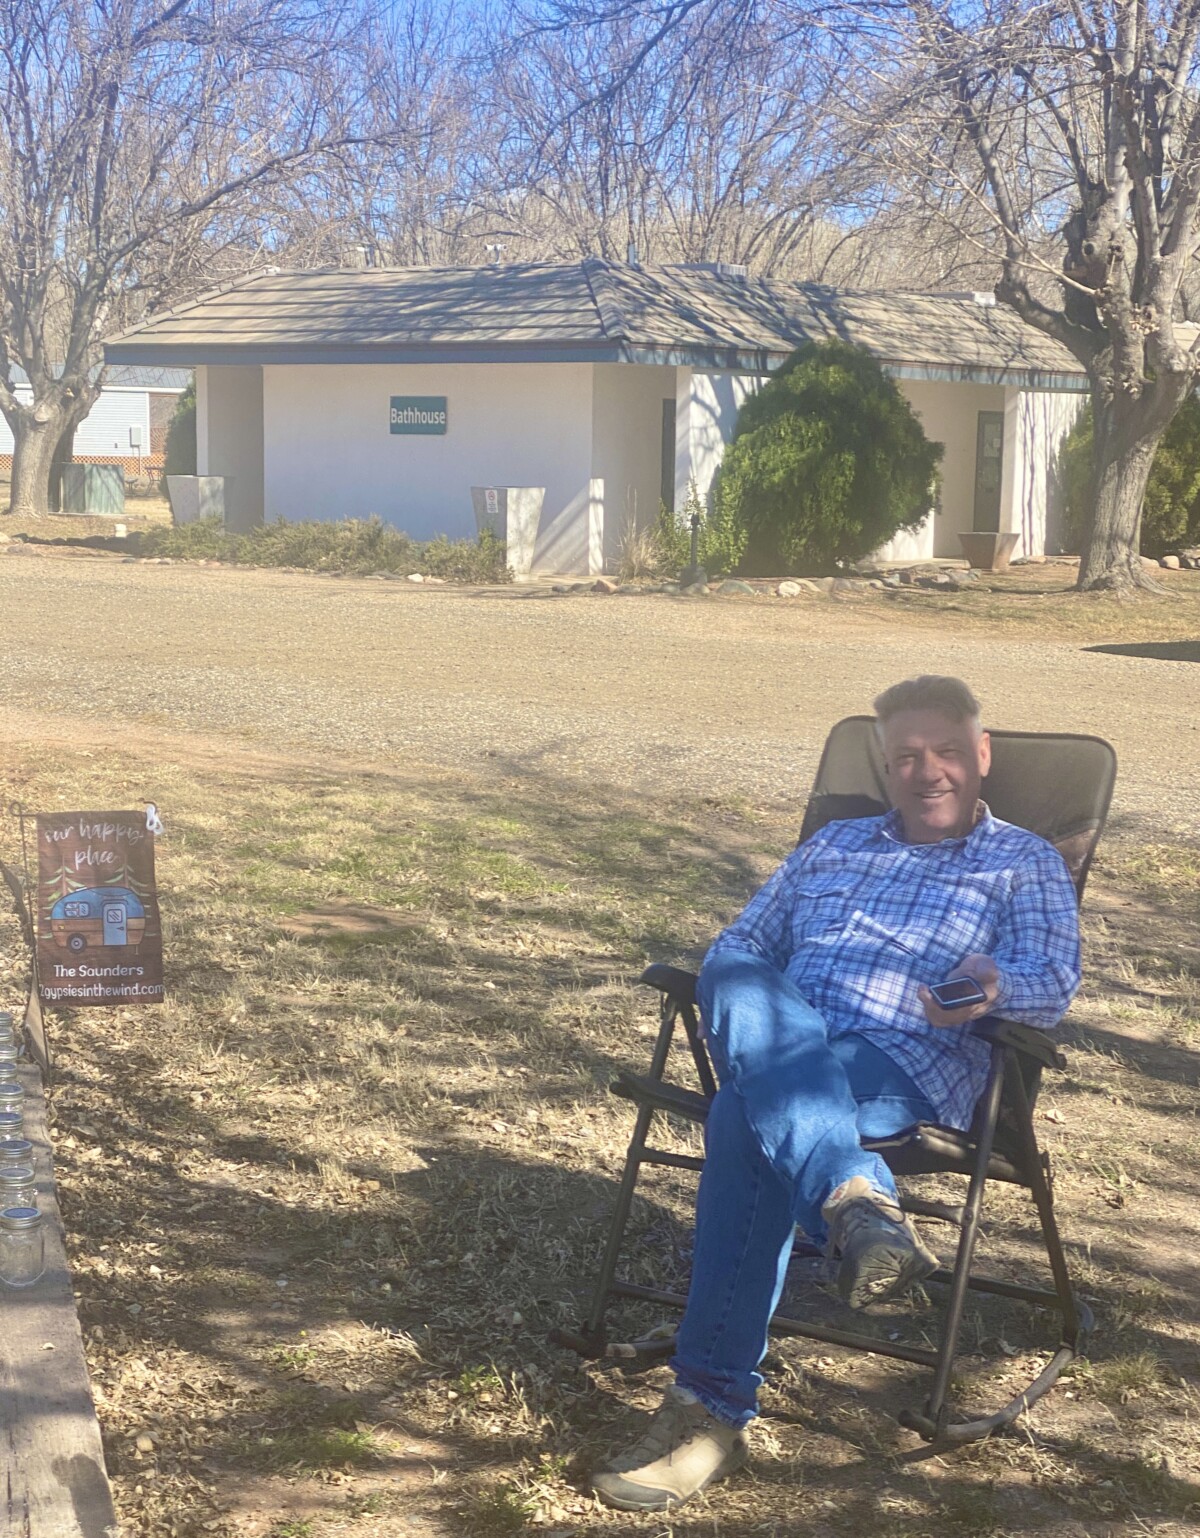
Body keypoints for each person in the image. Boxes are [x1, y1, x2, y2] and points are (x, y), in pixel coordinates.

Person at [591, 675, 1081, 1513]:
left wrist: (992, 985)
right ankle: (852, 1198)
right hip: (788, 1039)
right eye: (907, 757)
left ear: (982, 755)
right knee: (734, 970)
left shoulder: (1022, 861)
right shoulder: (834, 844)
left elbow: (1055, 979)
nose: (929, 772)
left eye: (948, 752)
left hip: (906, 1062)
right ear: (886, 766)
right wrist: (754, 997)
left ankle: (710, 1405)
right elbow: (742, 945)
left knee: (748, 1117)